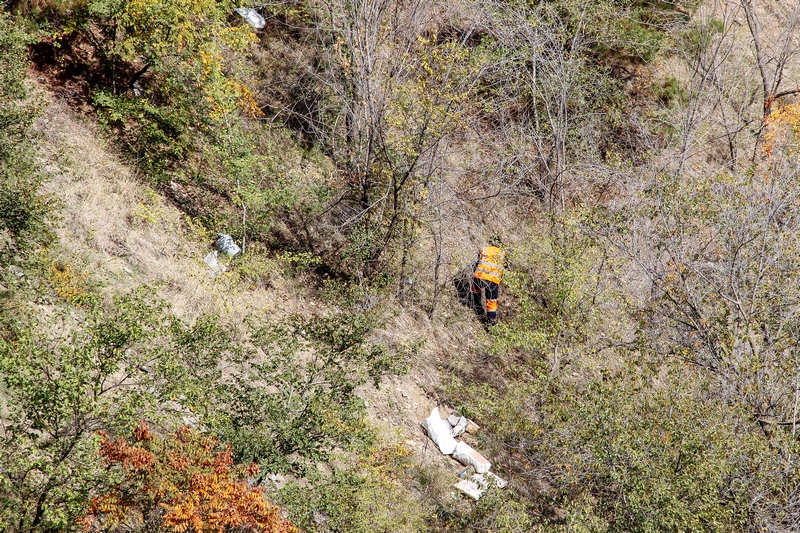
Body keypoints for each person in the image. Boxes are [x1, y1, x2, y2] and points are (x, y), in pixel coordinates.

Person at [470, 238, 505, 326]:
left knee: (475, 289)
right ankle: (491, 321)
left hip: (480, 276)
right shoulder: (502, 253)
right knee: (491, 301)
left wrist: (474, 274)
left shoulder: (484, 249)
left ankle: (477, 306)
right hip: (493, 279)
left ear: (490, 243)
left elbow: (476, 264)